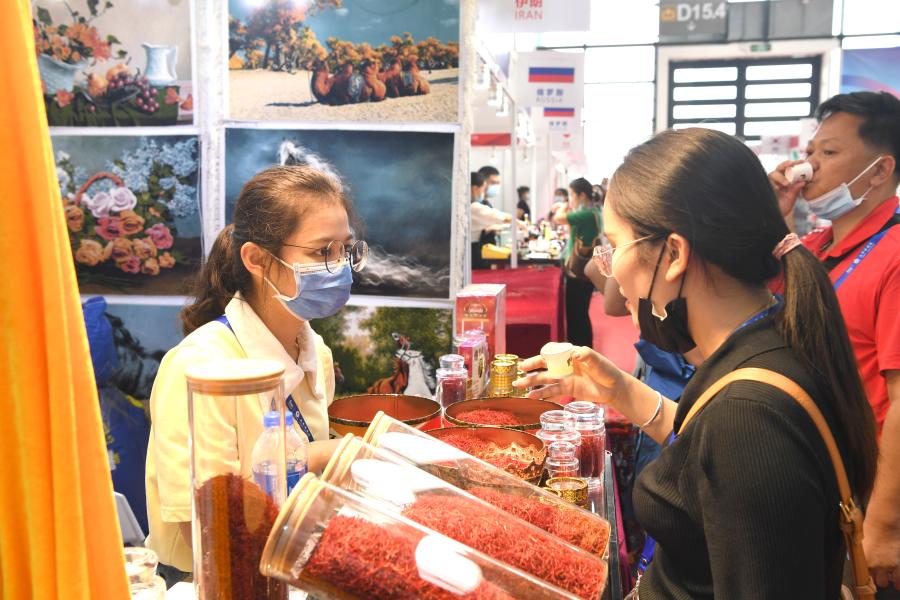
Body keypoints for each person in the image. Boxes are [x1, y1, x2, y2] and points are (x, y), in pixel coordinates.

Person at [518, 127, 878, 598]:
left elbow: (732, 446)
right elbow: (710, 457)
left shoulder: (751, 417)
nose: (609, 267)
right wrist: (619, 390)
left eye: (614, 245)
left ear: (672, 254)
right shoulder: (764, 346)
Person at [144, 165, 366, 584]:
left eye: (345, 250)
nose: (339, 267)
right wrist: (319, 458)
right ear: (257, 259)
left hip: (286, 567)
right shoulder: (197, 367)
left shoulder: (313, 349)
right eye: (322, 252)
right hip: (211, 581)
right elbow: (207, 525)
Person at [769, 90, 900, 596]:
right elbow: (768, 303)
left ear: (879, 169)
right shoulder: (819, 244)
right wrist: (780, 212)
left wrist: (885, 524)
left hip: (866, 488)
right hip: (816, 468)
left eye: (829, 153)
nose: (809, 166)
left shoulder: (891, 254)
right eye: (810, 152)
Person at [554, 177, 602, 348]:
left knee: (577, 314)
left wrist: (563, 206)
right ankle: (582, 350)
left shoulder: (586, 214)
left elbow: (559, 218)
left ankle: (581, 351)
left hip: (579, 271)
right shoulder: (594, 212)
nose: (570, 199)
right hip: (585, 269)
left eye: (572, 195)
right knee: (579, 313)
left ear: (582, 195)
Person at [470, 171, 516, 270]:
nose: (496, 187)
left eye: (498, 183)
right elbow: (503, 218)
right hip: (475, 253)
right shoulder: (475, 207)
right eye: (493, 183)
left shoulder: (482, 204)